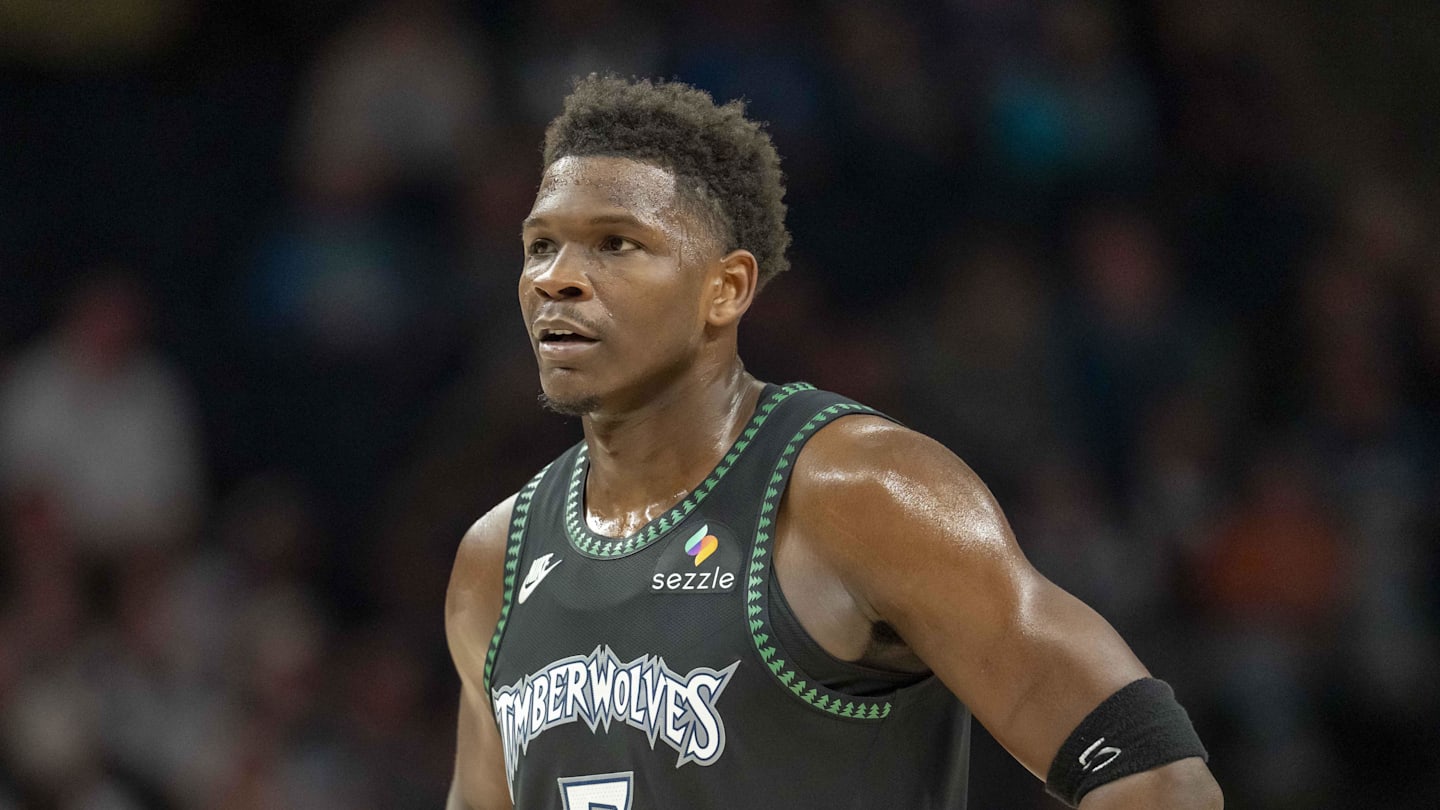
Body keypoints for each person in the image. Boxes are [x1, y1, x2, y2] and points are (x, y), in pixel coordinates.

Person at [444, 75, 1222, 810]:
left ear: (728, 288)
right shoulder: (495, 558)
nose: (557, 278)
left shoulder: (858, 490)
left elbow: (1155, 776)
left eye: (615, 243)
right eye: (540, 245)